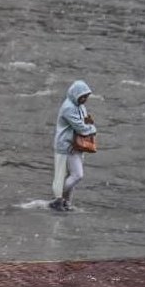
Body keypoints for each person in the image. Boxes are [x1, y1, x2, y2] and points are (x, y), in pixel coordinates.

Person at [51, 80, 97, 211]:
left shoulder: (80, 106)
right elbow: (81, 127)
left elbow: (84, 122)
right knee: (76, 175)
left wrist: (89, 124)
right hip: (66, 146)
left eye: (86, 96)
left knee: (71, 175)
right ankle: (58, 198)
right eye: (83, 96)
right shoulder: (69, 108)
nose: (85, 99)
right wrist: (93, 129)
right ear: (75, 94)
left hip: (76, 145)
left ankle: (66, 202)